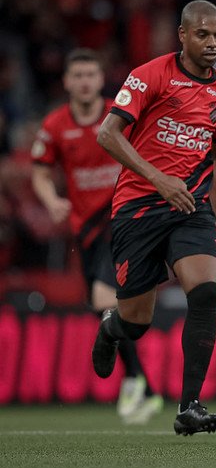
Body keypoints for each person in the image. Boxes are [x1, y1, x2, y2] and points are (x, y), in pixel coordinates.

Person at [89, 0, 216, 436]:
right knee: (136, 323)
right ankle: (110, 329)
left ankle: (190, 405)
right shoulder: (149, 75)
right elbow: (107, 134)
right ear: (183, 35)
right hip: (138, 207)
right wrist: (159, 180)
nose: (212, 43)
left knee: (206, 291)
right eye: (203, 35)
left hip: (191, 209)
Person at [31, 48, 163, 424]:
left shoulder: (119, 114)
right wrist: (50, 198)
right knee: (99, 306)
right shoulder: (55, 125)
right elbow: (40, 170)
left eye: (91, 74)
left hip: (122, 217)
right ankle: (142, 385)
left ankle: (135, 384)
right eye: (78, 75)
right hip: (84, 230)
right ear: (67, 82)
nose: (85, 81)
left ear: (100, 79)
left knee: (104, 297)